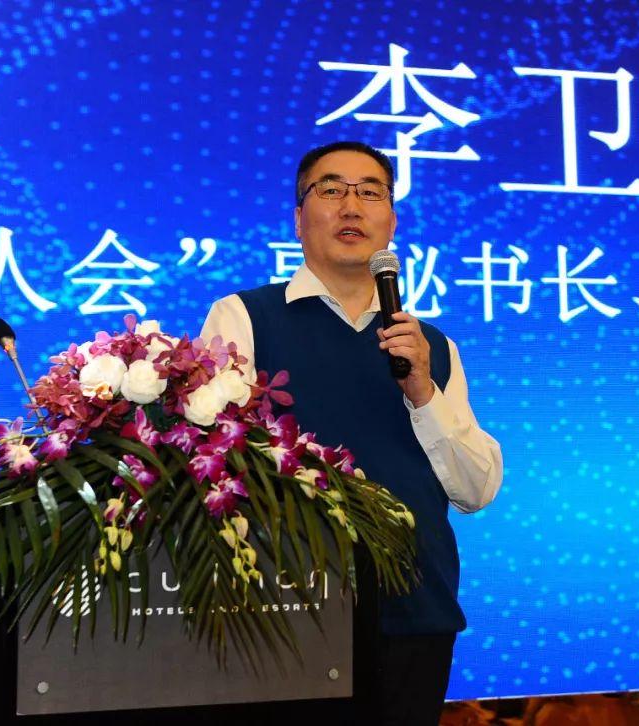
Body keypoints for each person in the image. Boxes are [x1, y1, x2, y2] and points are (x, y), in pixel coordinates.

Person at [201, 140, 502, 725]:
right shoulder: (244, 316)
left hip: (414, 610)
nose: (351, 205)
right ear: (298, 218)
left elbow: (476, 489)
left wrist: (423, 390)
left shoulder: (432, 346)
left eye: (370, 192)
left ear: (391, 221)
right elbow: (212, 460)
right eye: (331, 189)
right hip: (288, 610)